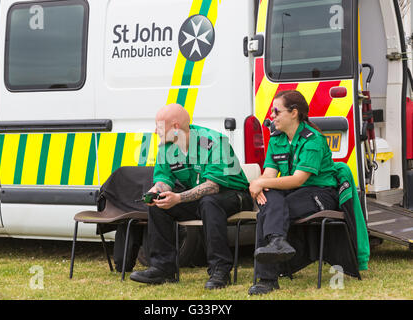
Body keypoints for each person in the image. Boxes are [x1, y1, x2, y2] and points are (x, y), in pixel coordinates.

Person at [129, 103, 254, 289]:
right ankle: (163, 269)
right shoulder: (167, 146)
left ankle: (220, 271)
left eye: (159, 126)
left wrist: (178, 198)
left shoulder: (212, 141)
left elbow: (212, 186)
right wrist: (157, 190)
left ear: (176, 127)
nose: (155, 131)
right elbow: (164, 178)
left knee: (209, 202)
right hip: (199, 199)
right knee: (159, 204)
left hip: (234, 196)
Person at [248, 90, 339, 295]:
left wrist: (260, 182)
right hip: (292, 192)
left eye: (276, 111)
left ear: (294, 113)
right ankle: (277, 243)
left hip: (320, 193)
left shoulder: (312, 139)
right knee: (268, 203)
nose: (272, 116)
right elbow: (270, 174)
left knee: (270, 210)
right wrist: (261, 184)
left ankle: (267, 279)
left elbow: (298, 179)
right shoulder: (276, 139)